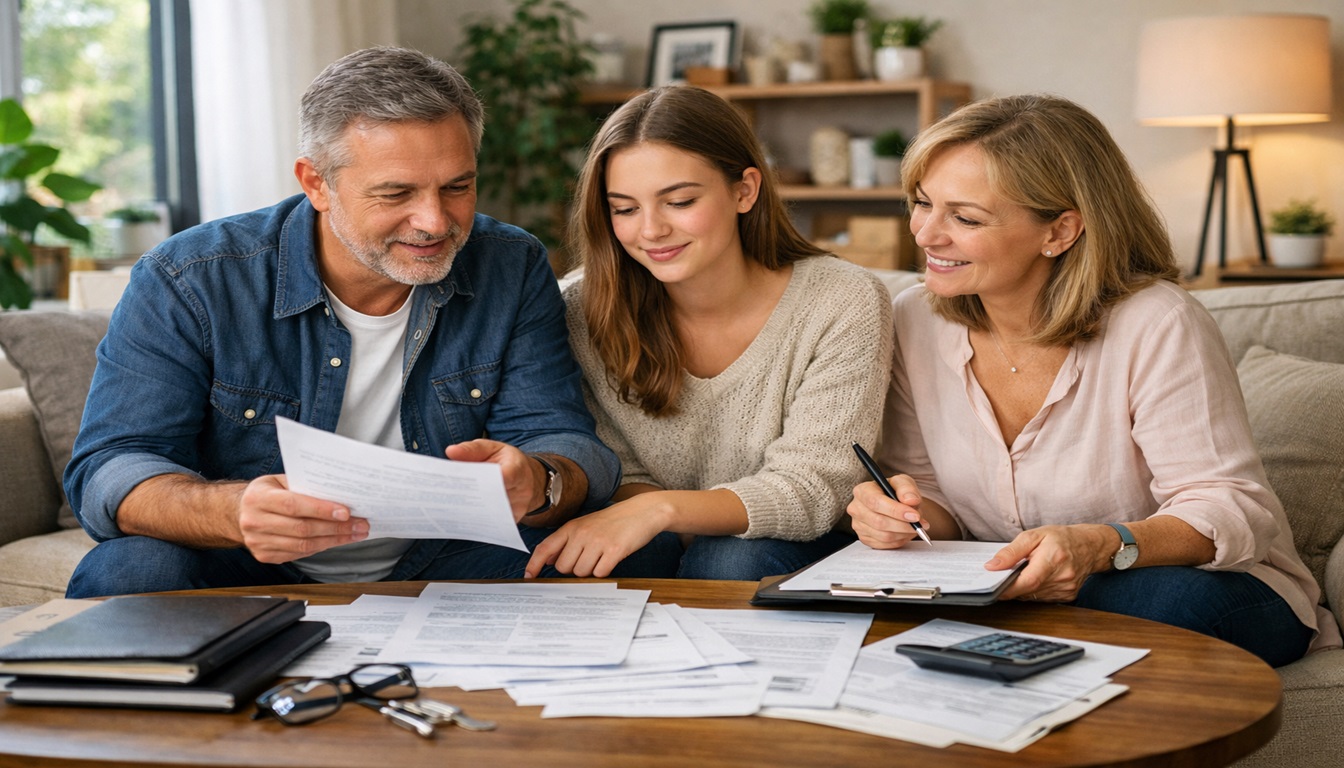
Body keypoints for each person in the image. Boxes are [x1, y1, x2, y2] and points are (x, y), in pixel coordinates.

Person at [63, 46, 682, 597]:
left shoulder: (510, 264)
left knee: (637, 553)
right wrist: (233, 511)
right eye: (396, 194)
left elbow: (567, 441)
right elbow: (111, 467)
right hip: (249, 565)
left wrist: (542, 481)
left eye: (458, 187)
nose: (435, 222)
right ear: (317, 183)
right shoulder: (189, 277)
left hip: (448, 562)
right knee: (130, 570)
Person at [846, 93, 1339, 666]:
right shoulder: (915, 317)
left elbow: (1229, 508)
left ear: (1060, 231)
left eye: (964, 217)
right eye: (922, 203)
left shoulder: (1158, 322)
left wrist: (1099, 546)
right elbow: (931, 494)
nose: (926, 234)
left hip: (1193, 585)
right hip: (1013, 591)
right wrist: (900, 515)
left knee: (1156, 599)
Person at [525, 85, 894, 581]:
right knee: (570, 559)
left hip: (784, 539)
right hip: (645, 531)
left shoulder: (842, 300)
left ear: (745, 190)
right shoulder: (581, 309)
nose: (650, 230)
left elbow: (814, 488)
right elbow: (612, 473)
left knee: (728, 559)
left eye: (678, 201)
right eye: (625, 209)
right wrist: (653, 516)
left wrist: (664, 511)